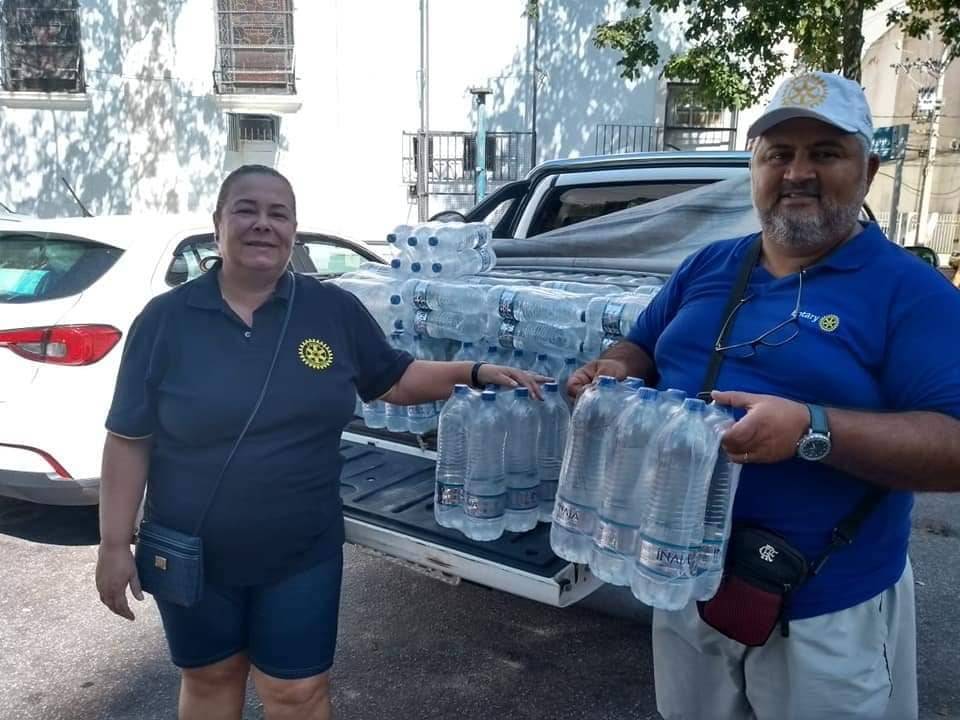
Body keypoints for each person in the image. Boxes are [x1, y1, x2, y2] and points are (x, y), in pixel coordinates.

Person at [568, 72, 960, 720]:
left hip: (826, 607)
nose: (798, 173)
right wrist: (610, 369)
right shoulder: (709, 265)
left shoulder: (912, 293)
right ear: (754, 167)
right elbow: (641, 347)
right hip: (684, 575)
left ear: (869, 170)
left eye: (825, 153)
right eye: (779, 153)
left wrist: (812, 430)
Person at [95, 164, 544, 720]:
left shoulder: (331, 310)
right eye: (246, 210)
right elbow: (128, 439)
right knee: (210, 678)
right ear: (218, 224)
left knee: (298, 693)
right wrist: (113, 544)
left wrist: (472, 372)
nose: (263, 224)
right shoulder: (166, 321)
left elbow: (395, 378)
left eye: (278, 213)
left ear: (294, 229)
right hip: (194, 548)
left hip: (300, 552)